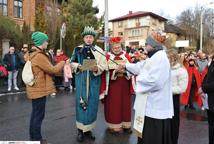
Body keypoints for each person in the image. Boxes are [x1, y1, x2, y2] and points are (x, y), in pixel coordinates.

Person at [118, 30, 174, 144]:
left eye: (147, 43)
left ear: (153, 44)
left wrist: (138, 80)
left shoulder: (161, 58)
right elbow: (140, 67)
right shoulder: (153, 57)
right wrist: (125, 66)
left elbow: (156, 82)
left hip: (155, 107)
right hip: (149, 105)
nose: (145, 46)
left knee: (152, 138)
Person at [25, 32, 65, 143]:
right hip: (38, 89)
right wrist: (63, 62)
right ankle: (37, 139)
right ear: (42, 42)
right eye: (46, 41)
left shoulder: (32, 53)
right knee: (38, 115)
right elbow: (52, 70)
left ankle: (33, 137)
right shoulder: (39, 56)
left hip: (35, 88)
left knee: (35, 114)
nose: (47, 43)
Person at [70, 26, 108, 142]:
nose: (89, 39)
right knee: (81, 105)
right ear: (83, 38)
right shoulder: (77, 49)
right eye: (87, 37)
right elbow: (72, 63)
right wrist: (78, 66)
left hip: (93, 83)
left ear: (93, 39)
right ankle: (80, 130)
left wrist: (97, 68)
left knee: (91, 105)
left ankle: (89, 130)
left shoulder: (99, 50)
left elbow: (104, 65)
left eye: (91, 37)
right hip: (81, 81)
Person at [101, 37, 134, 133]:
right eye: (115, 48)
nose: (117, 49)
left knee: (125, 105)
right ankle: (114, 125)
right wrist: (115, 71)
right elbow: (104, 72)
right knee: (114, 105)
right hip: (112, 85)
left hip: (124, 84)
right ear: (111, 48)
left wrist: (125, 71)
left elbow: (133, 70)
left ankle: (126, 125)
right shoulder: (107, 57)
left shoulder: (126, 56)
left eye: (119, 47)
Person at [167, 48, 188, 144]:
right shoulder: (165, 68)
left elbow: (182, 88)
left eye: (169, 58)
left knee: (173, 123)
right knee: (165, 123)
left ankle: (173, 141)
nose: (167, 60)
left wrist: (167, 91)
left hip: (173, 98)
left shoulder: (181, 70)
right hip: (163, 99)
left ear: (174, 58)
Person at [199, 54, 214, 144]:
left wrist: (203, 88)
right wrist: (203, 88)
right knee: (211, 125)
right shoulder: (212, 62)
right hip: (210, 100)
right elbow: (207, 77)